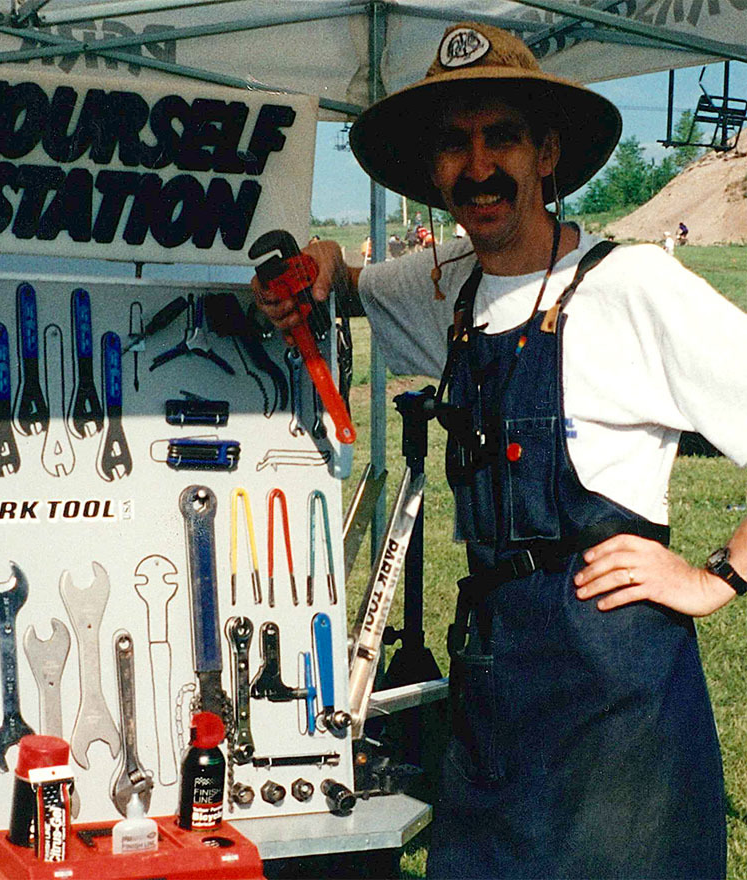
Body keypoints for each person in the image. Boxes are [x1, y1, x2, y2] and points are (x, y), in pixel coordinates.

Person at [254, 21, 747, 879]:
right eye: (455, 144)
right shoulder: (450, 282)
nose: (478, 167)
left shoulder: (632, 285)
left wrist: (718, 577)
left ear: (548, 152)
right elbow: (351, 279)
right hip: (490, 694)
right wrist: (322, 264)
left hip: (615, 712)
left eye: (503, 138)